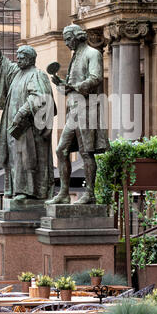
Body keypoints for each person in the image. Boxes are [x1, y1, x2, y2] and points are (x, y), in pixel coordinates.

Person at [0, 27, 55, 205]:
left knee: (25, 159)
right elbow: (0, 63)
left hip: (27, 128)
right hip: (13, 128)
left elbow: (40, 98)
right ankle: (16, 189)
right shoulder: (16, 72)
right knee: (13, 160)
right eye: (17, 57)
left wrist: (22, 112)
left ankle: (27, 192)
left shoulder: (37, 75)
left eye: (20, 57)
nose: (17, 59)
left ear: (29, 58)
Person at [45, 24, 110, 205]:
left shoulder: (92, 53)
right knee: (61, 150)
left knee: (86, 152)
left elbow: (96, 77)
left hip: (87, 109)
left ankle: (90, 194)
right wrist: (62, 83)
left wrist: (82, 85)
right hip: (73, 110)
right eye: (65, 39)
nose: (66, 43)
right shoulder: (76, 56)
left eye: (68, 39)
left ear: (78, 36)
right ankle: (64, 193)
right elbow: (73, 84)